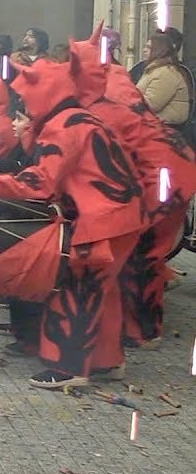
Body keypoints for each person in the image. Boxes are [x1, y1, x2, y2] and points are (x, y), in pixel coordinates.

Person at [0, 59, 146, 389]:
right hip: (124, 212)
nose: (25, 107)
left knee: (79, 287)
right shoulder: (82, 118)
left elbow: (42, 182)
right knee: (104, 289)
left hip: (103, 217)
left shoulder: (62, 126)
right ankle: (108, 361)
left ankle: (70, 367)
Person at [68, 25, 196, 347]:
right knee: (142, 249)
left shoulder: (107, 96)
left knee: (145, 251)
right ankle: (134, 324)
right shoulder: (115, 78)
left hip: (166, 174)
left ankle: (144, 330)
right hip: (169, 166)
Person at [135, 31, 191, 129]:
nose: (144, 50)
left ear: (159, 50)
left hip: (166, 128)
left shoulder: (166, 73)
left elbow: (152, 104)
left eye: (148, 47)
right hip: (157, 125)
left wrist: (128, 102)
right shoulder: (155, 70)